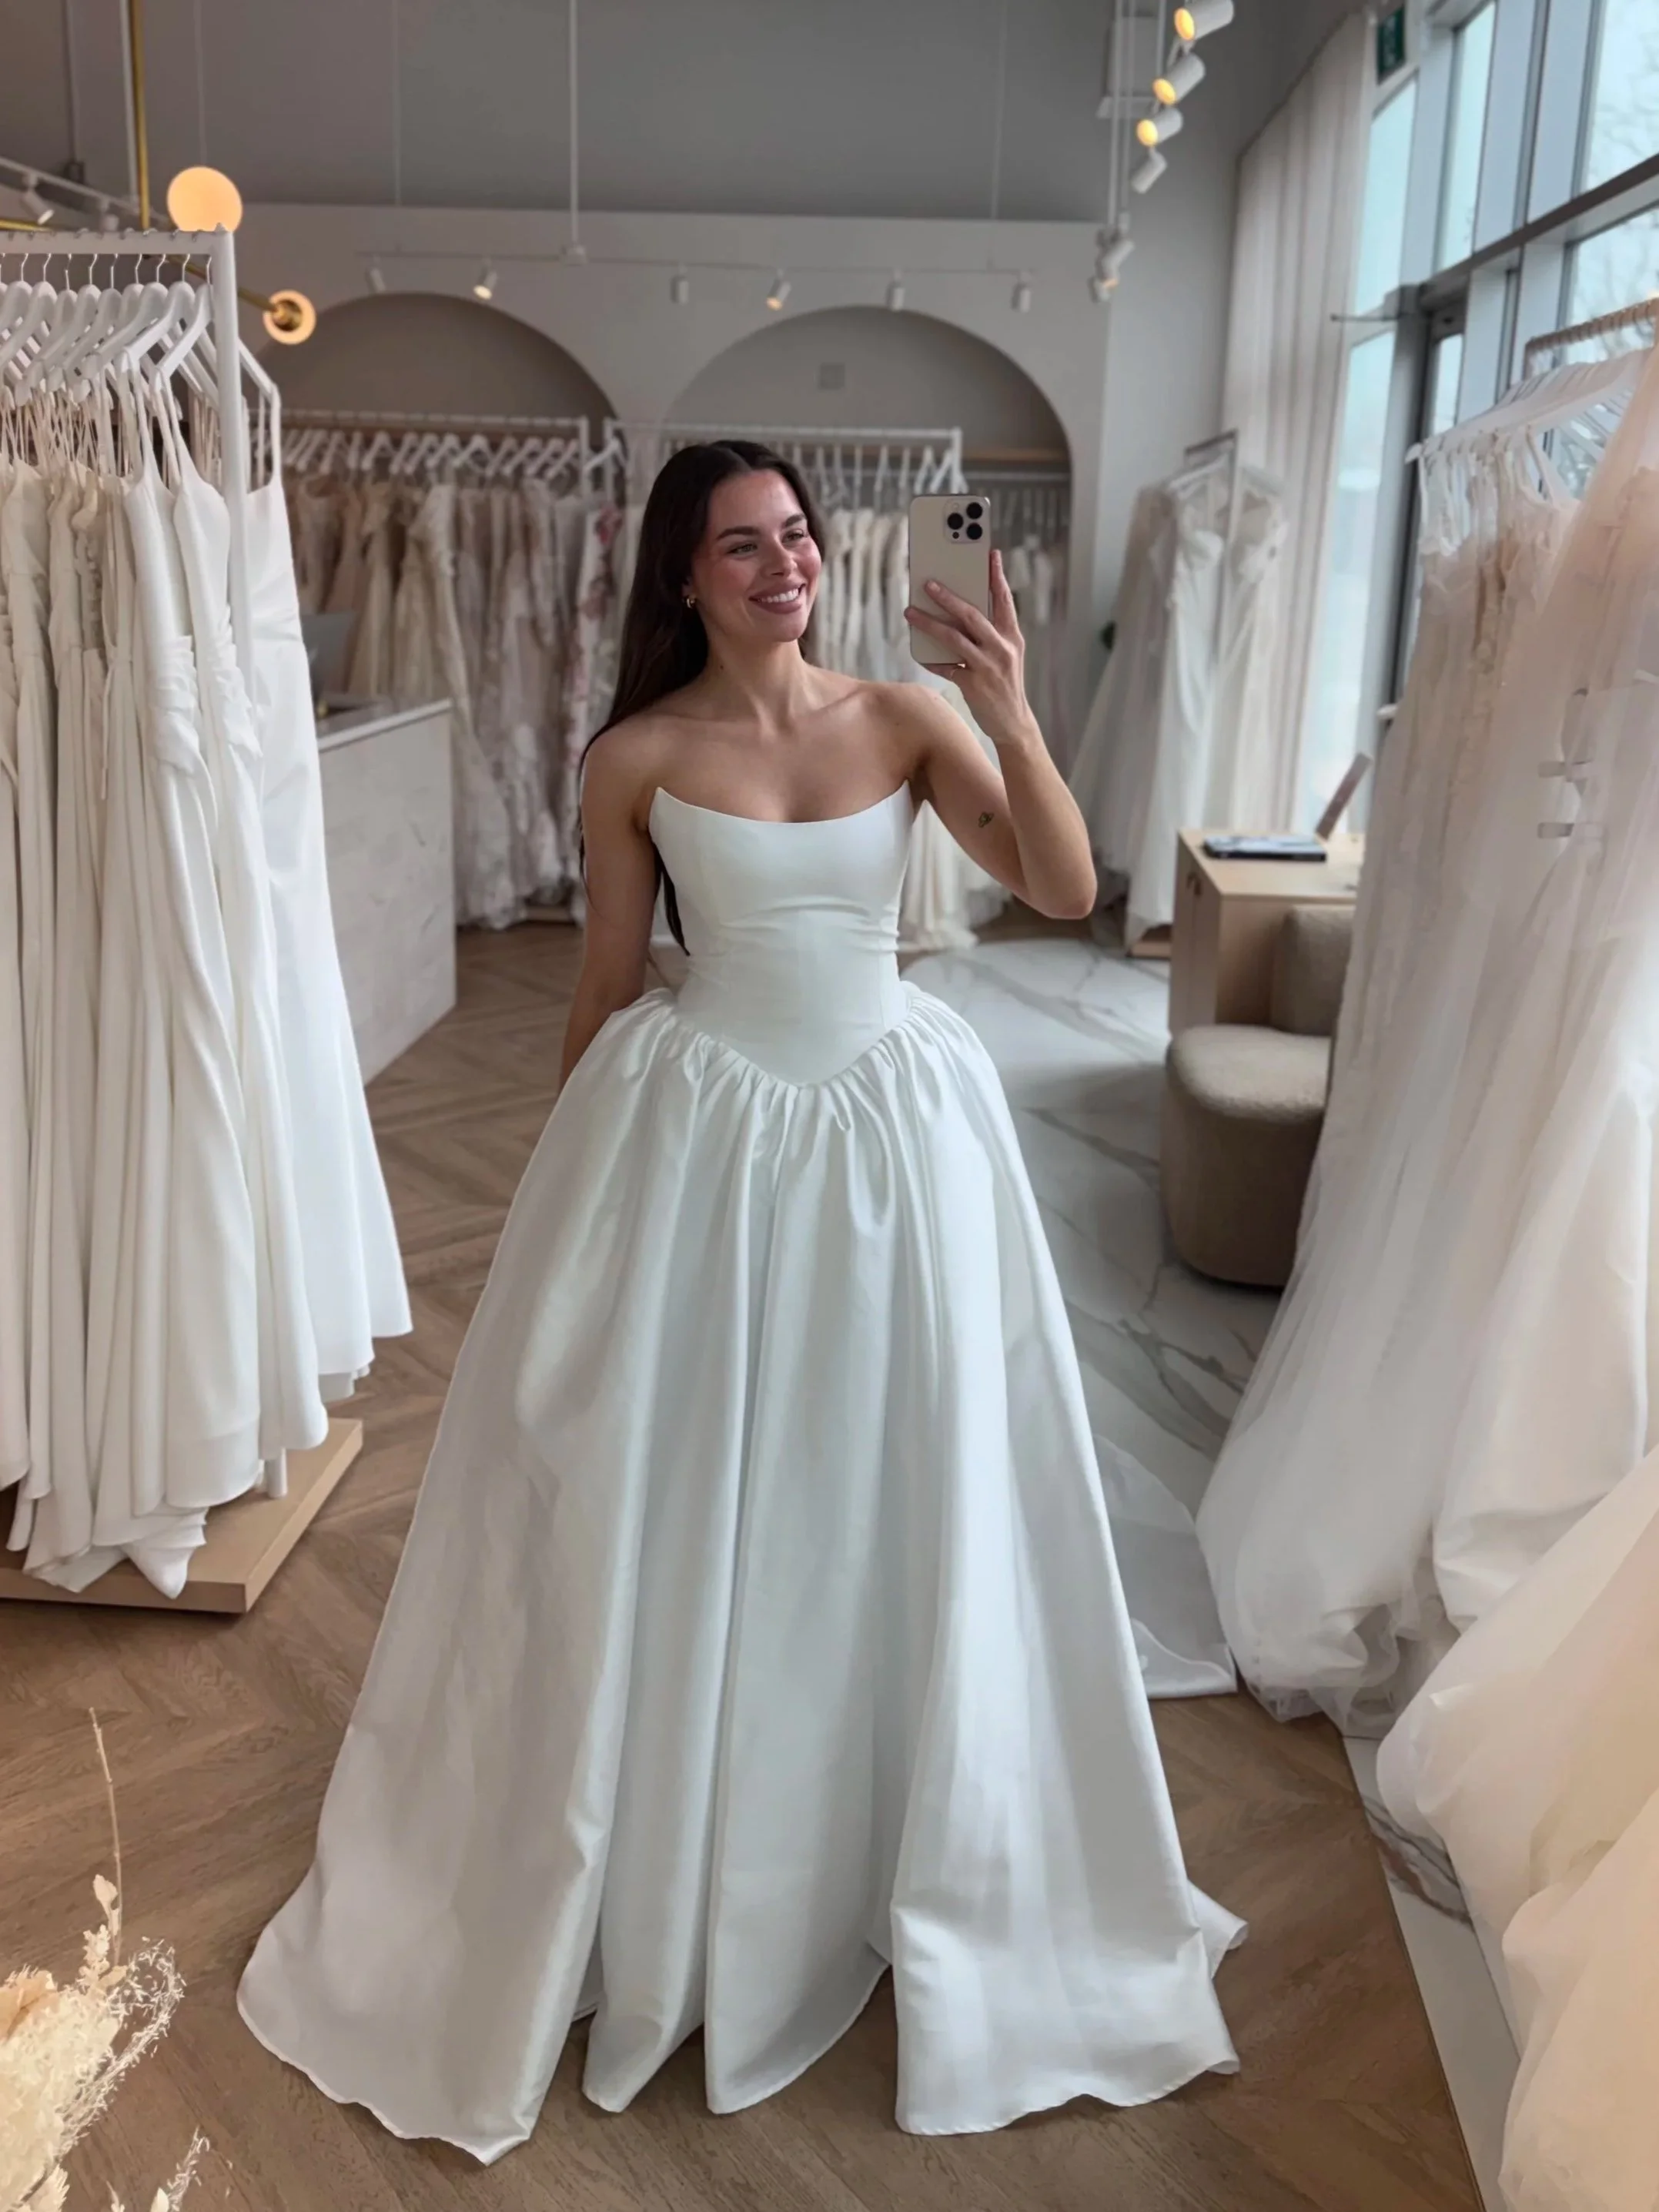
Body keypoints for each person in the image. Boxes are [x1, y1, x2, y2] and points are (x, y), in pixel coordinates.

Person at [238, 442, 1242, 2163]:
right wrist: (554, 1216)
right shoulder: (632, 758)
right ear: (683, 577)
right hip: (704, 1134)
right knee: (705, 1495)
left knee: (894, 1485)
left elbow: (1068, 891)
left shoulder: (913, 714)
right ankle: (693, 1850)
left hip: (899, 1141)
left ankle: (894, 1834)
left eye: (795, 536)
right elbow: (612, 982)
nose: (784, 566)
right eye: (742, 546)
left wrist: (1009, 703)